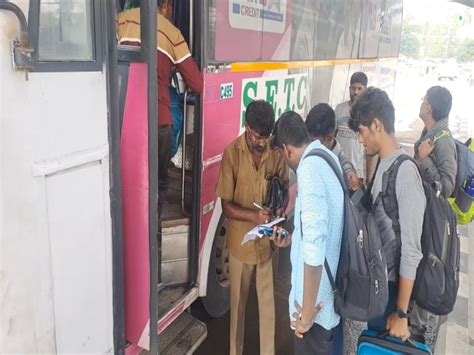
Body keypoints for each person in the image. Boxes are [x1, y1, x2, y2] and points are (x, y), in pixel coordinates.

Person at [349, 87, 425, 340]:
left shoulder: (405, 173)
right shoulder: (384, 162)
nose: (361, 140)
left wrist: (402, 313)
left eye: (361, 132)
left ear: (376, 125)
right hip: (380, 284)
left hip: (395, 293)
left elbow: (412, 250)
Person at [117, 0, 203, 219]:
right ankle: (152, 231)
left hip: (123, 117)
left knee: (124, 179)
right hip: (157, 120)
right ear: (166, 5)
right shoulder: (171, 33)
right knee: (158, 182)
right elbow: (197, 84)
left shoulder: (121, 20)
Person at [216, 100, 289, 355]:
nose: (262, 142)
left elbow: (283, 193)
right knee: (237, 310)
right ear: (247, 128)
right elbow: (226, 206)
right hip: (240, 245)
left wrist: (279, 212)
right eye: (259, 137)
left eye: (266, 137)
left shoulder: (276, 153)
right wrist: (254, 217)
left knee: (268, 312)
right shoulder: (232, 153)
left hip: (267, 247)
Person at [272, 111, 344, 355]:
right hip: (328, 302)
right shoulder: (326, 156)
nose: (285, 161)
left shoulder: (309, 170)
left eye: (282, 155)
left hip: (315, 313)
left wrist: (306, 315)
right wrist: (293, 241)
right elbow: (322, 227)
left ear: (287, 149)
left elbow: (314, 247)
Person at [412, 87, 457, 344]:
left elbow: (447, 187)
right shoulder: (430, 134)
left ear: (429, 107)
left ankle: (420, 341)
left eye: (423, 100)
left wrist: (424, 160)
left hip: (434, 226)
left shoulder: (444, 141)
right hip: (422, 220)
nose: (421, 103)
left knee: (427, 280)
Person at [306, 103, 361, 192]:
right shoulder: (308, 155)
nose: (310, 146)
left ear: (329, 138)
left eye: (314, 142)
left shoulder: (346, 173)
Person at [336, 72, 372, 183]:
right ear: (349, 88)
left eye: (359, 89)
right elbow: (331, 138)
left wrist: (368, 178)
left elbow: (370, 150)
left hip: (358, 174)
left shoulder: (368, 114)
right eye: (353, 88)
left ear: (365, 90)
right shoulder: (339, 109)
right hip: (339, 170)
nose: (356, 92)